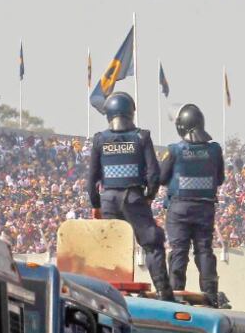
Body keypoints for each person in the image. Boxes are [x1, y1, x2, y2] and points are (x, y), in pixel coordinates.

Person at [87, 92, 173, 300]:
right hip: (134, 197)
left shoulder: (100, 140)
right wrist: (148, 196)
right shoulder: (141, 137)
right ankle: (163, 291)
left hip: (108, 200)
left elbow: (91, 179)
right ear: (130, 112)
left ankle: (108, 294)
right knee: (152, 243)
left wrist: (96, 203)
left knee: (111, 248)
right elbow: (154, 174)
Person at [161, 104, 226, 307]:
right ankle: (210, 293)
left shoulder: (174, 150)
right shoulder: (214, 150)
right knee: (204, 250)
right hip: (205, 208)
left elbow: (162, 178)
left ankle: (176, 292)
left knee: (179, 250)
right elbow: (220, 179)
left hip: (179, 208)